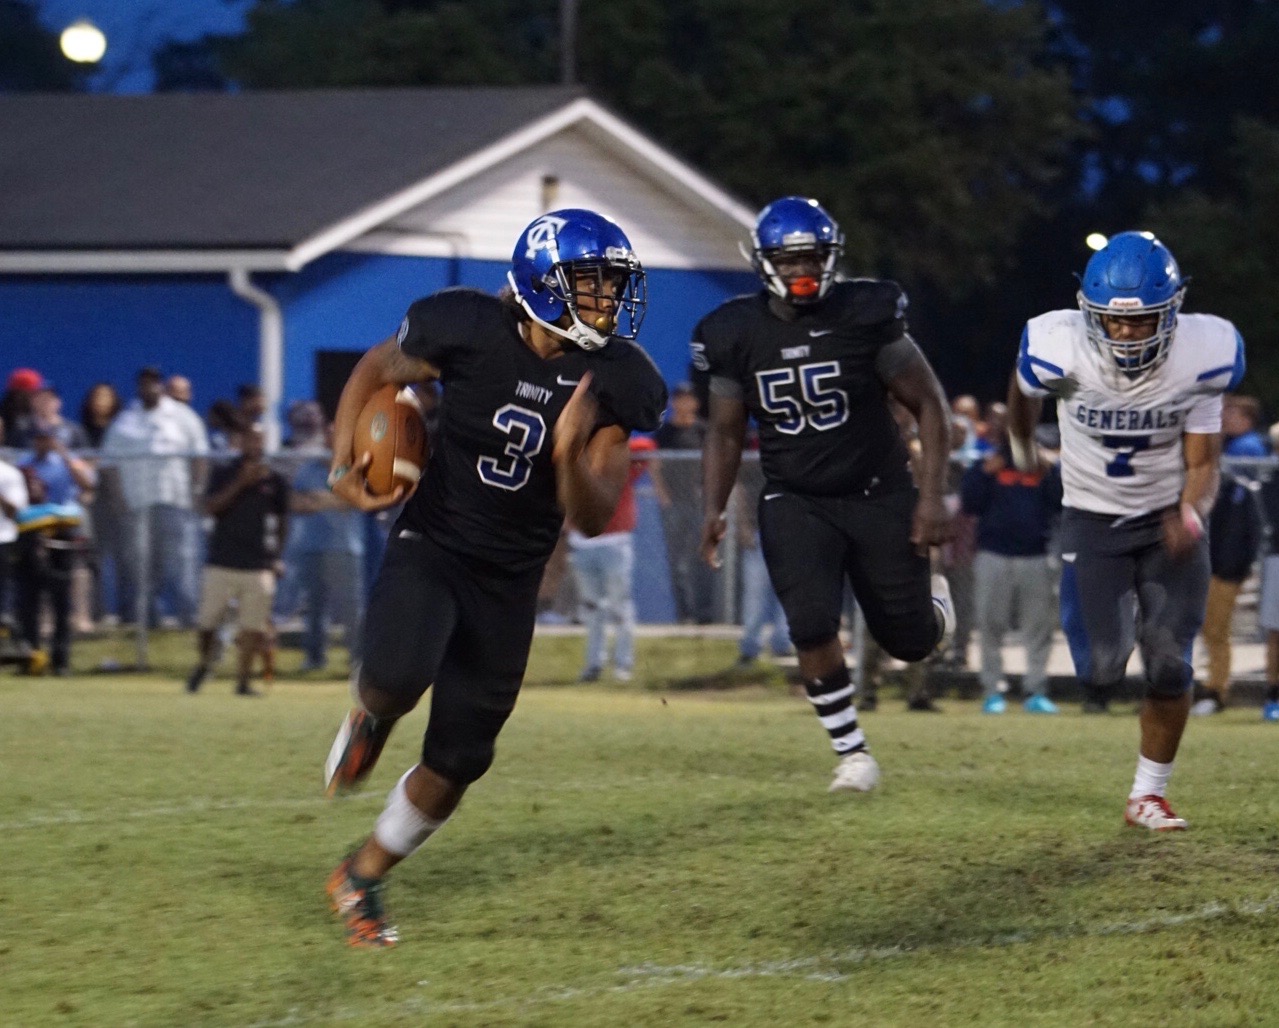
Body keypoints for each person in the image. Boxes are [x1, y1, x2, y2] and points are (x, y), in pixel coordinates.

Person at [320, 208, 666, 947]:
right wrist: (343, 461)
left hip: (511, 578)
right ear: (543, 283)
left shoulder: (616, 380)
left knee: (460, 758)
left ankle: (361, 875)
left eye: (613, 284)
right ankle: (372, 715)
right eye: (593, 283)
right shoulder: (467, 327)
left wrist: (569, 458)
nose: (608, 299)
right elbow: (376, 369)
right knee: (396, 675)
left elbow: (593, 517)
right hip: (435, 542)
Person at [695, 196, 955, 794]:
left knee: (910, 641)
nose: (802, 270)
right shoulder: (733, 332)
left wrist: (931, 497)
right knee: (810, 624)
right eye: (789, 260)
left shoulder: (864, 313)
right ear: (764, 263)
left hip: (878, 491)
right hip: (796, 498)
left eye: (812, 258)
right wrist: (713, 507)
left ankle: (935, 606)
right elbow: (726, 431)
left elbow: (930, 404)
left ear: (831, 257)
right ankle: (853, 754)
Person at [1008, 230, 1242, 831]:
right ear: (1090, 312)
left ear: (1173, 310)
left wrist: (1191, 513)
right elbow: (1023, 390)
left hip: (1167, 522)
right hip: (1091, 519)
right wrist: (1022, 445)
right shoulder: (1057, 345)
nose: (1128, 334)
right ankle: (1121, 640)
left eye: (1142, 321)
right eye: (1114, 320)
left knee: (1169, 665)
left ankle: (1148, 795)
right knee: (1101, 671)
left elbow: (1204, 462)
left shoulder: (1203, 355)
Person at [960, 423, 1063, 714]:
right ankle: (992, 691)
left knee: (1039, 628)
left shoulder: (1041, 466)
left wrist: (1050, 472)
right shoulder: (988, 463)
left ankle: (1036, 690)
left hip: (1036, 555)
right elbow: (969, 504)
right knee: (990, 626)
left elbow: (1061, 503)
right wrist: (984, 473)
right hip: (993, 554)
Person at [100, 366, 210, 627]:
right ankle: (148, 621)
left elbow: (200, 458)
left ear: (161, 386)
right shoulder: (125, 421)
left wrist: (197, 491)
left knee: (182, 562)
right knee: (141, 565)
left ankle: (189, 619)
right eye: (144, 383)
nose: (149, 388)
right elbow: (109, 464)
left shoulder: (183, 417)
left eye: (154, 382)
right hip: (136, 504)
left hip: (176, 502)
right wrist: (118, 499)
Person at [186, 423, 290, 696]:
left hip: (258, 563)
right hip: (222, 559)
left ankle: (243, 680)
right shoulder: (224, 473)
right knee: (207, 622)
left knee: (252, 627)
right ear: (240, 441)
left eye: (259, 439)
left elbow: (282, 521)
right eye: (250, 439)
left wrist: (276, 556)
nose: (255, 444)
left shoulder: (274, 479)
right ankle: (204, 663)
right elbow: (211, 508)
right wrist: (241, 484)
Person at [567, 434, 654, 682]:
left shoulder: (620, 464)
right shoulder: (576, 466)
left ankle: (623, 664)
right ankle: (594, 663)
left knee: (620, 606)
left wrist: (610, 446)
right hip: (582, 543)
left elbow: (647, 445)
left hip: (614, 543)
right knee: (591, 608)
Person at [1191, 470, 1262, 715]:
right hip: (1197, 570)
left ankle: (1216, 690)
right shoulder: (1197, 486)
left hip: (1223, 572)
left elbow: (1252, 533)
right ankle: (1200, 686)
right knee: (1202, 631)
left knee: (1216, 630)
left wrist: (1238, 568)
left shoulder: (1237, 490)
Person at [654, 381, 715, 624]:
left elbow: (715, 464)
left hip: (699, 505)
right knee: (677, 560)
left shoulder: (703, 431)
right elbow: (654, 465)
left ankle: (705, 613)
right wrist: (663, 496)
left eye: (688, 398)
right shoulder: (664, 432)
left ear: (696, 403)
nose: (684, 403)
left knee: (702, 557)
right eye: (679, 398)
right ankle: (684, 613)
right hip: (674, 505)